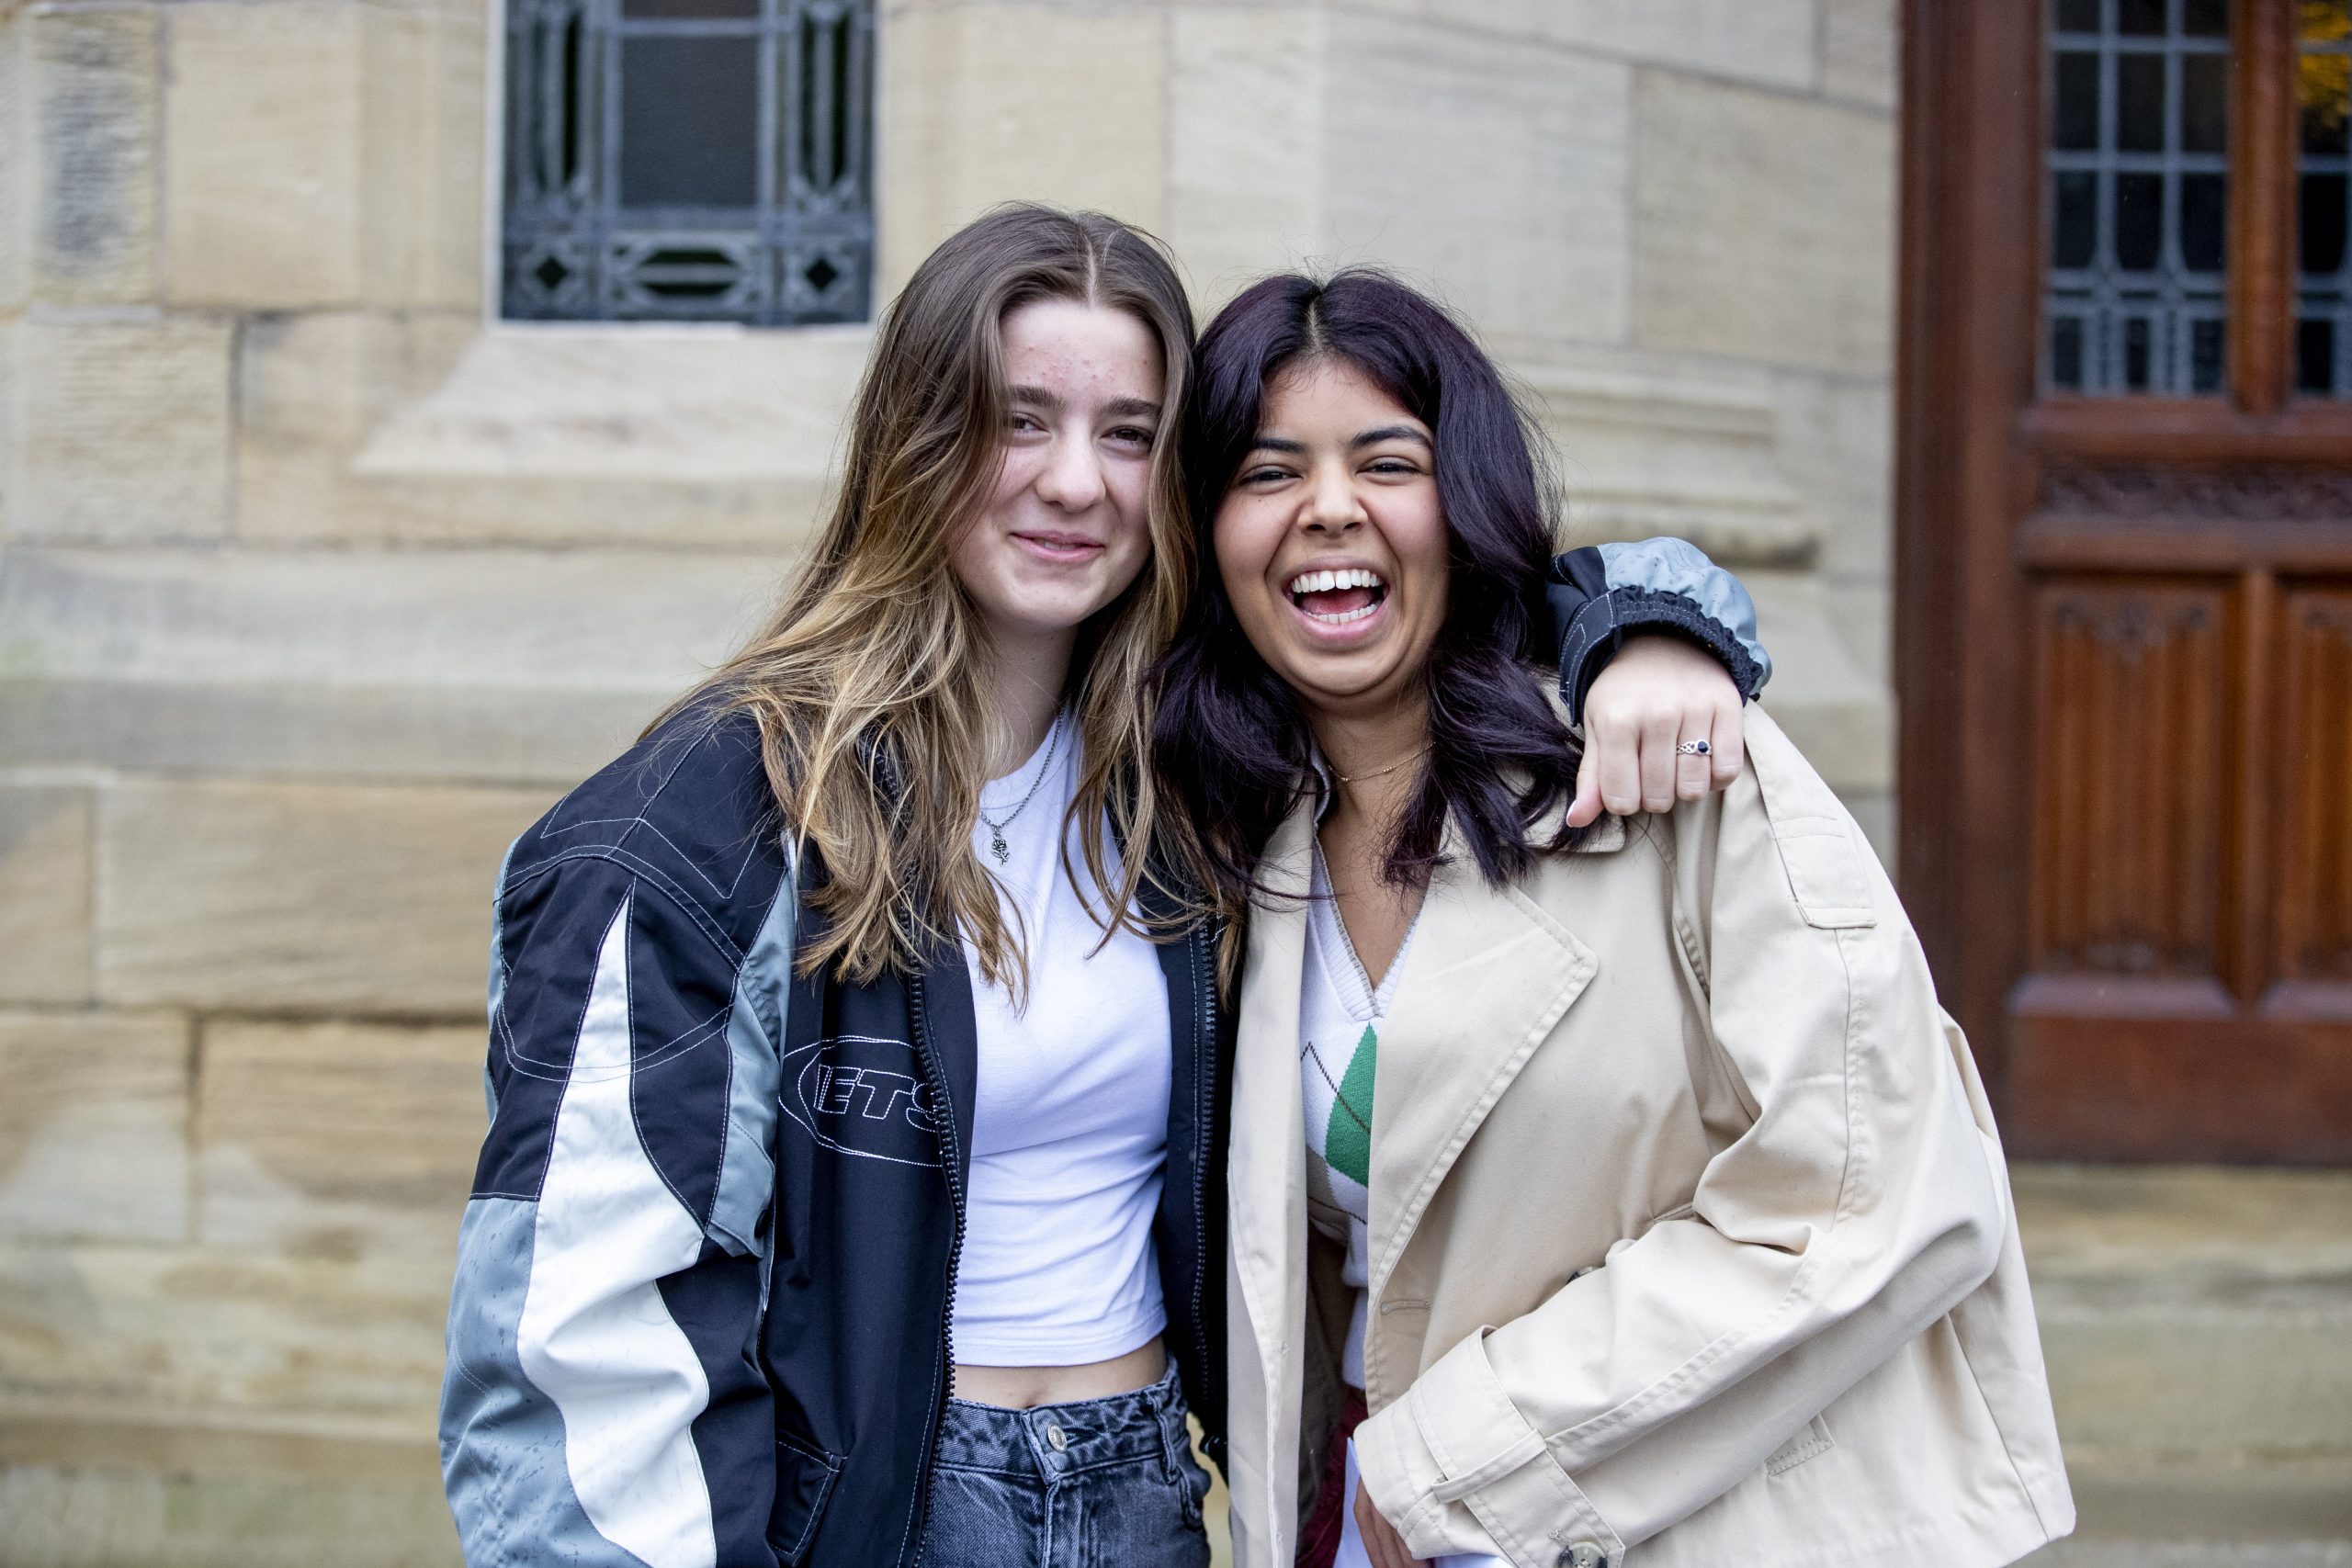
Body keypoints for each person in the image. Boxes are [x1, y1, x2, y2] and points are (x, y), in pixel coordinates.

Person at [436, 208, 1770, 1568]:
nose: (1076, 483)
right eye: (1017, 422)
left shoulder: (1200, 776)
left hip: (1148, 1496)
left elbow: (1418, 592)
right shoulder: (709, 824)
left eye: (1130, 434)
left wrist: (1648, 624)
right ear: (914, 440)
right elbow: (576, 1340)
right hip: (881, 1515)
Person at [1156, 269, 2075, 1568]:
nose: (1330, 510)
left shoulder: (1677, 766)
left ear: (1461, 496)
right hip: (1366, 1520)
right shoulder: (1227, 835)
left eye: (1387, 461)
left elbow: (1885, 1190)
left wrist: (1455, 1462)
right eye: (1266, 472)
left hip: (1676, 1514)